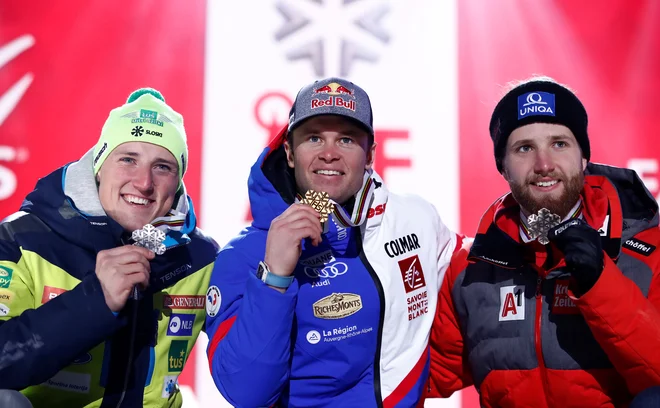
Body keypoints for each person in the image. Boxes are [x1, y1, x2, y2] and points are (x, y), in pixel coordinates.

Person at [205, 77, 460, 407]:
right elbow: (246, 393)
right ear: (289, 152)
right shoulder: (243, 256)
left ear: (370, 154)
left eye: (346, 140)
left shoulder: (415, 219)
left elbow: (472, 302)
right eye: (313, 138)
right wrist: (274, 279)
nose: (329, 154)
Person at [428, 77, 660, 407]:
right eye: (524, 148)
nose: (544, 164)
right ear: (503, 168)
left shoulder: (649, 250)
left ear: (583, 158)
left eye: (559, 144)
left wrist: (601, 284)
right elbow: (422, 377)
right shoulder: (471, 268)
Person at [0, 88, 219, 407]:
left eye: (162, 167)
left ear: (178, 181)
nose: (144, 182)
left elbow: (249, 379)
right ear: (98, 165)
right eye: (128, 159)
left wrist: (275, 279)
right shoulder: (22, 238)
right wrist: (95, 299)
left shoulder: (199, 257)